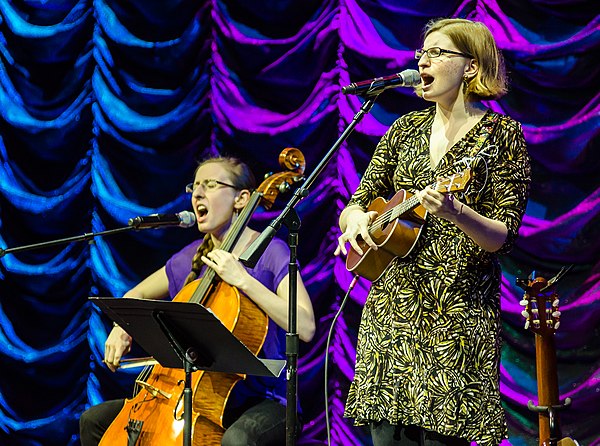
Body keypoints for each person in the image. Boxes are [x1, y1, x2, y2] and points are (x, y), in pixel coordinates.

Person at [336, 18, 530, 446]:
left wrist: (456, 211)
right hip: (390, 316)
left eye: (438, 52)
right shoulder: (403, 130)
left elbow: (503, 236)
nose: (423, 59)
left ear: (472, 67)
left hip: (457, 317)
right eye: (422, 52)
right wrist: (353, 219)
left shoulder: (501, 136)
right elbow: (360, 198)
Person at [79, 156, 316, 446]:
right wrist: (121, 327)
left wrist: (243, 280)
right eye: (196, 186)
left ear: (241, 199)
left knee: (238, 440)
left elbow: (304, 325)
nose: (198, 194)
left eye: (211, 185)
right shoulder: (190, 257)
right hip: (193, 394)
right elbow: (136, 295)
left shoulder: (271, 252)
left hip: (262, 399)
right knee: (94, 422)